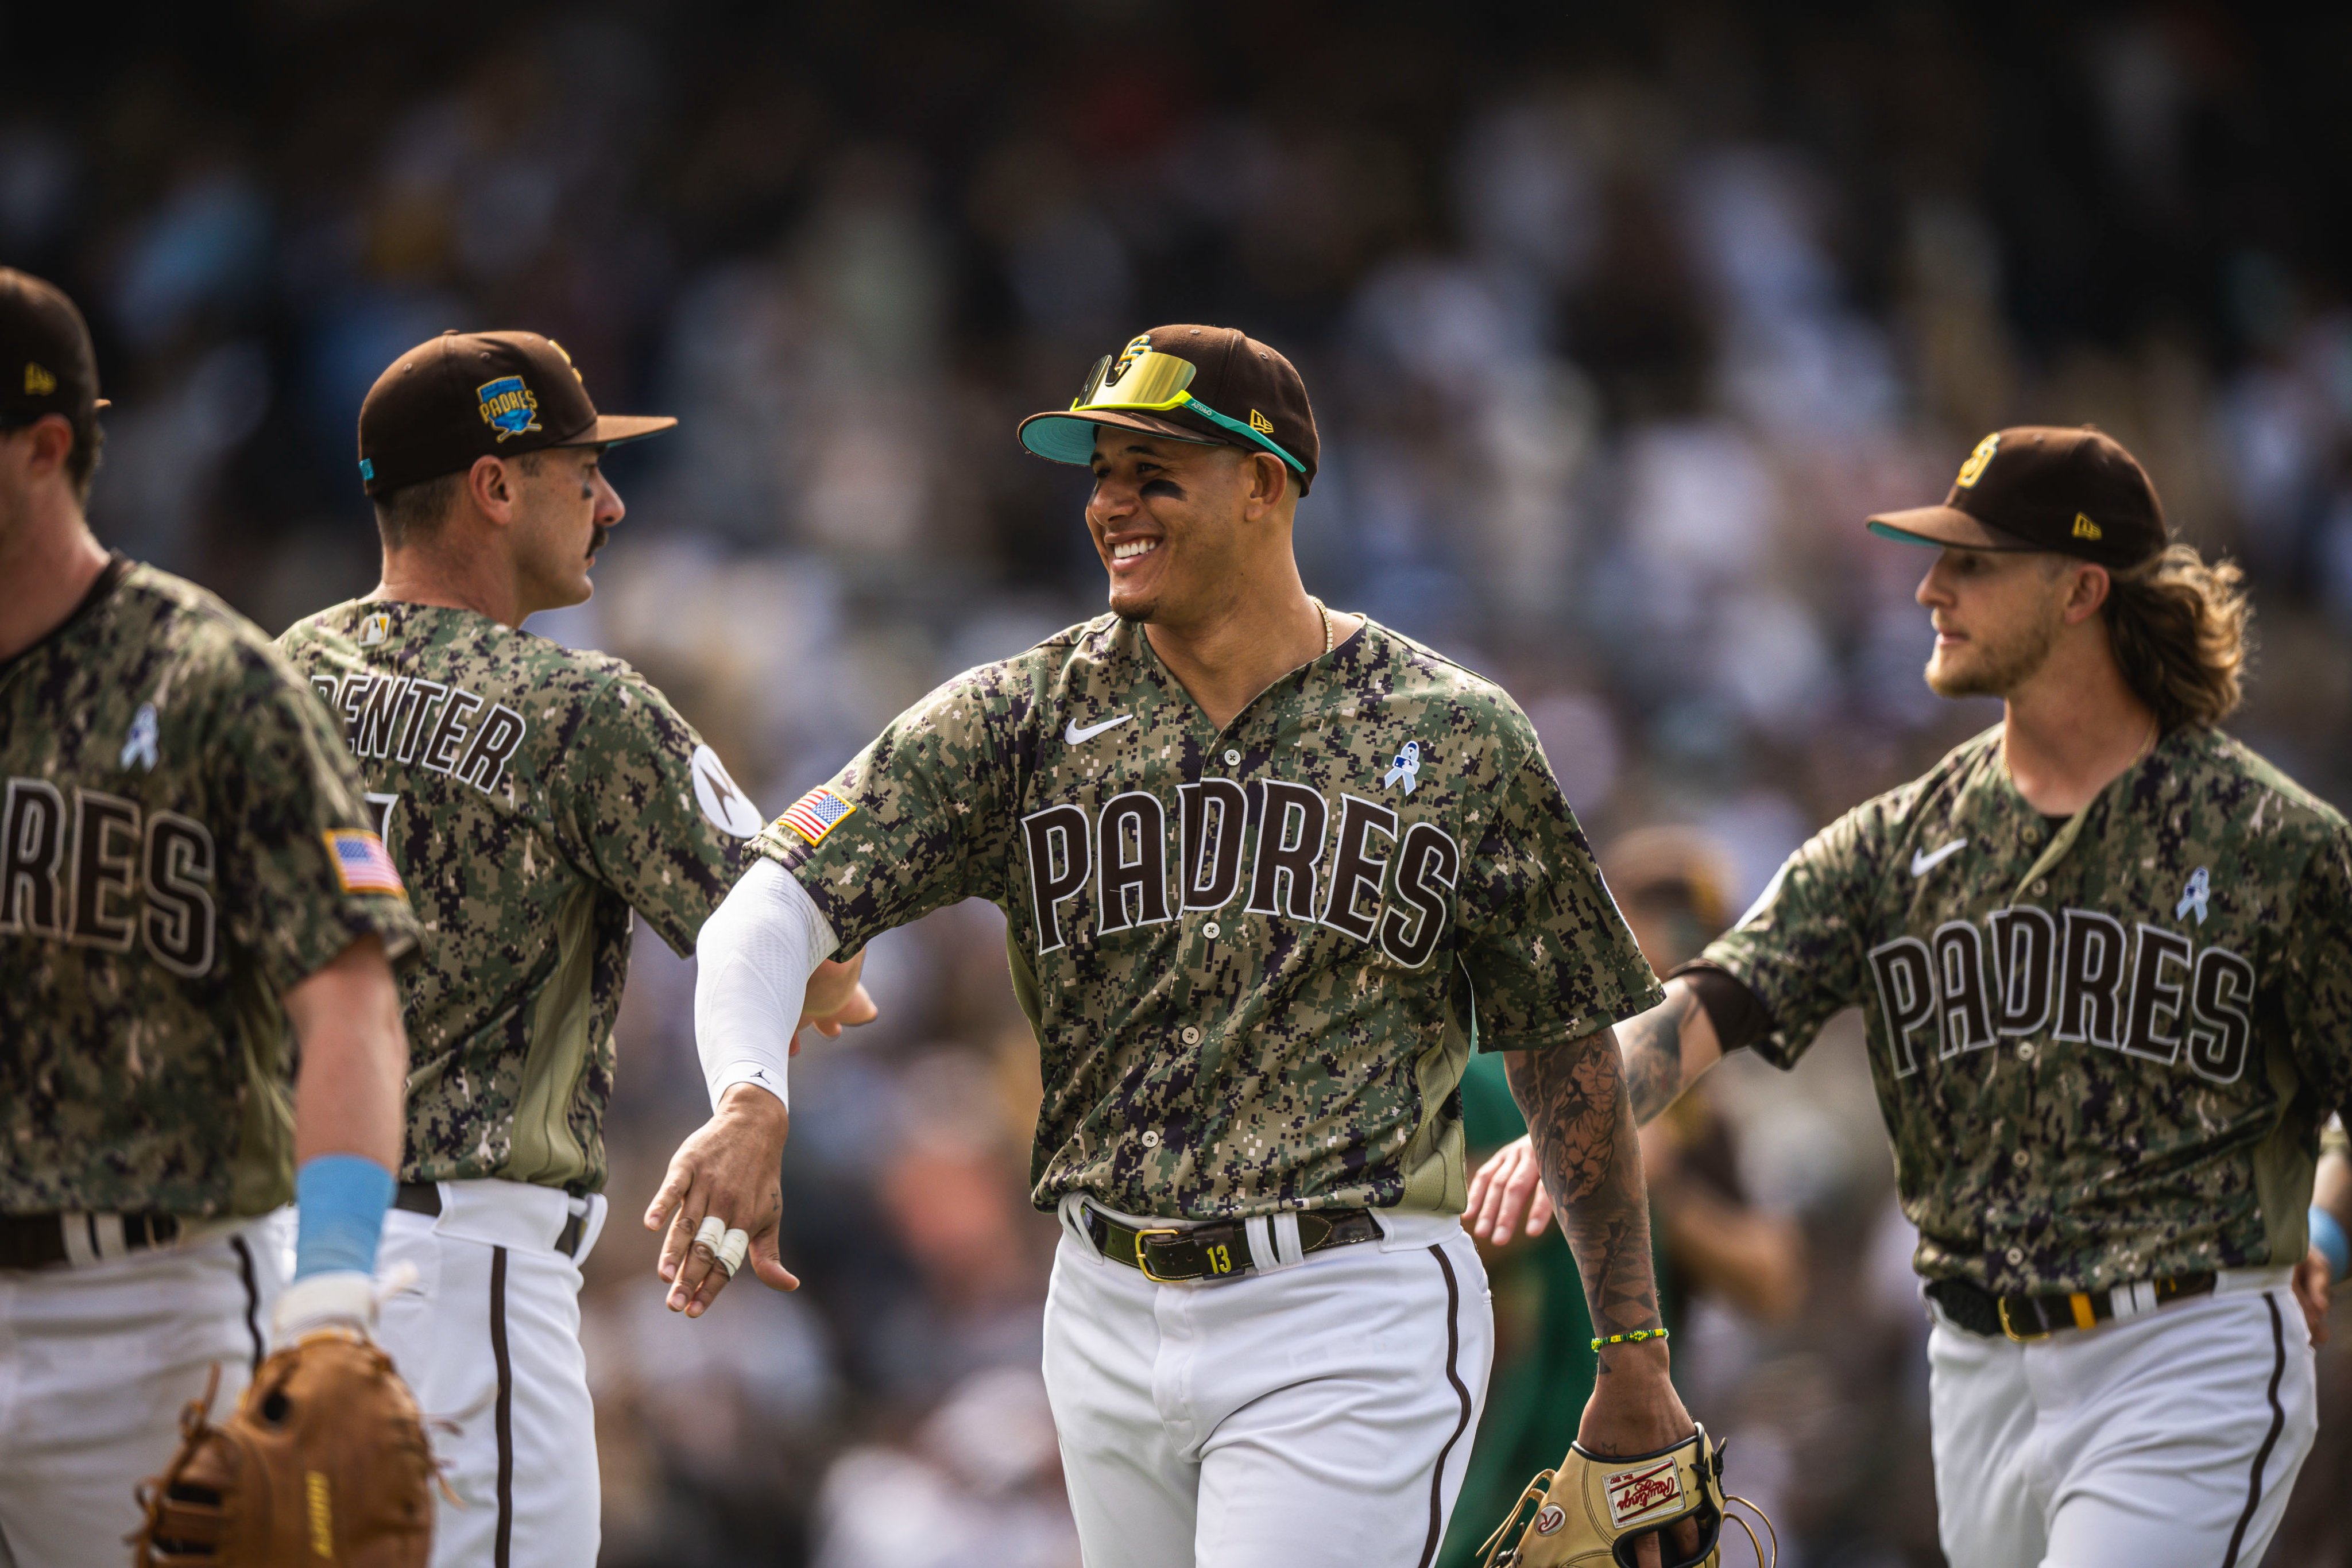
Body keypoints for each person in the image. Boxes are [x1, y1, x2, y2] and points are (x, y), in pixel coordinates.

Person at [649, 323, 1703, 1567]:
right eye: (1098, 473)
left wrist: (1630, 1358)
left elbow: (1565, 1056)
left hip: (1347, 1300)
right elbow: (772, 901)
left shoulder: (1456, 733)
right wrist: (748, 1095)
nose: (1109, 506)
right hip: (1099, 1301)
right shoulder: (1024, 716)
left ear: (1264, 481)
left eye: (1153, 473)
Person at [1469, 425, 2352, 1567]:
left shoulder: (2272, 845)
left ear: (2082, 590)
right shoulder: (1894, 842)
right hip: (1975, 1366)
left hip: (2185, 1343)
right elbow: (1709, 1003)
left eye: (1973, 563)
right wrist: (1578, 1114)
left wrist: (2322, 1218)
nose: (1929, 586)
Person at [275, 330, 873, 1568]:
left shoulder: (277, 671)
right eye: (578, 469)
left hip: (279, 1257)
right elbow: (799, 943)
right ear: (494, 488)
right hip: (459, 1273)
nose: (609, 500)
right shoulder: (580, 710)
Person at [0, 268, 418, 1562]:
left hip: (152, 1308)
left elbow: (348, 996)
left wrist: (333, 1297)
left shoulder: (208, 679)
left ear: (45, 445)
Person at [1439, 827, 1802, 1568]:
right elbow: (1443, 1245)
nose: (1666, 950)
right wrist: (1586, 1169)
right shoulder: (1492, 1070)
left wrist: (1660, 1182)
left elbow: (1773, 1280)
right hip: (1498, 1449)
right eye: (1649, 918)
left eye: (1694, 932)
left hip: (1640, 1457)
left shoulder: (1695, 1115)